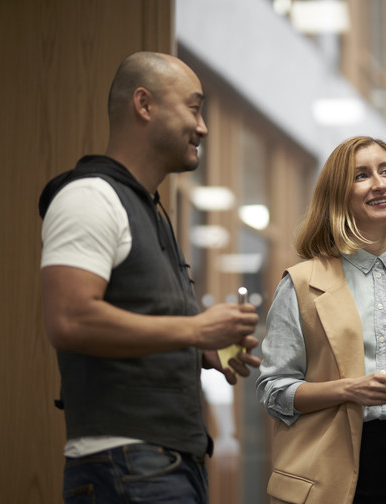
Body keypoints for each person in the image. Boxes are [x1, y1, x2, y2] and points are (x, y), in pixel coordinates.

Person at [38, 51, 261, 503]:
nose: (202, 128)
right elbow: (69, 320)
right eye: (194, 108)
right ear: (144, 104)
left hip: (161, 465)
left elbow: (135, 321)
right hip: (125, 466)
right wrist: (195, 328)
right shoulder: (89, 198)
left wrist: (199, 347)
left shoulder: (149, 209)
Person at [255, 136, 386, 504]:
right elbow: (273, 392)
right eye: (362, 176)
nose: (380, 183)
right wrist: (348, 390)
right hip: (321, 475)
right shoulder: (302, 282)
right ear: (339, 195)